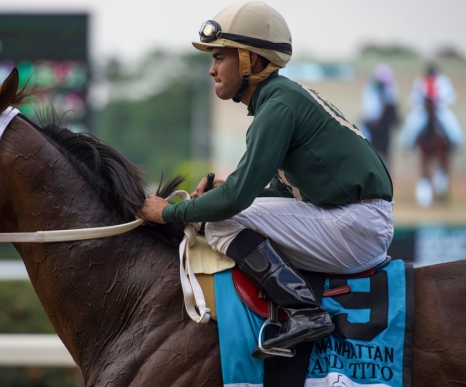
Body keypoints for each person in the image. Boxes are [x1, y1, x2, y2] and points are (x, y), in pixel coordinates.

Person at [137, 1, 394, 358]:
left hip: (356, 226)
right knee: (224, 209)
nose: (212, 70)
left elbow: (236, 200)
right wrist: (220, 193)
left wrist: (170, 212)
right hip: (357, 220)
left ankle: (306, 313)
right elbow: (272, 190)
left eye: (219, 58)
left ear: (251, 61)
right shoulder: (279, 99)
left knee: (220, 221)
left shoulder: (278, 107)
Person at [399, 64, 462, 207]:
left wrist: (438, 100)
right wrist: (422, 102)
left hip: (439, 108)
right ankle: (407, 143)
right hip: (424, 109)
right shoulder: (420, 81)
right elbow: (413, 97)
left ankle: (455, 141)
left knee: (450, 122)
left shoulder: (443, 81)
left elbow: (451, 96)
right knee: (412, 123)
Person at [359, 64, 399, 164]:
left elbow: (393, 104)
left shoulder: (391, 88)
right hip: (370, 122)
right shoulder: (370, 87)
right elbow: (368, 108)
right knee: (361, 136)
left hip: (385, 123)